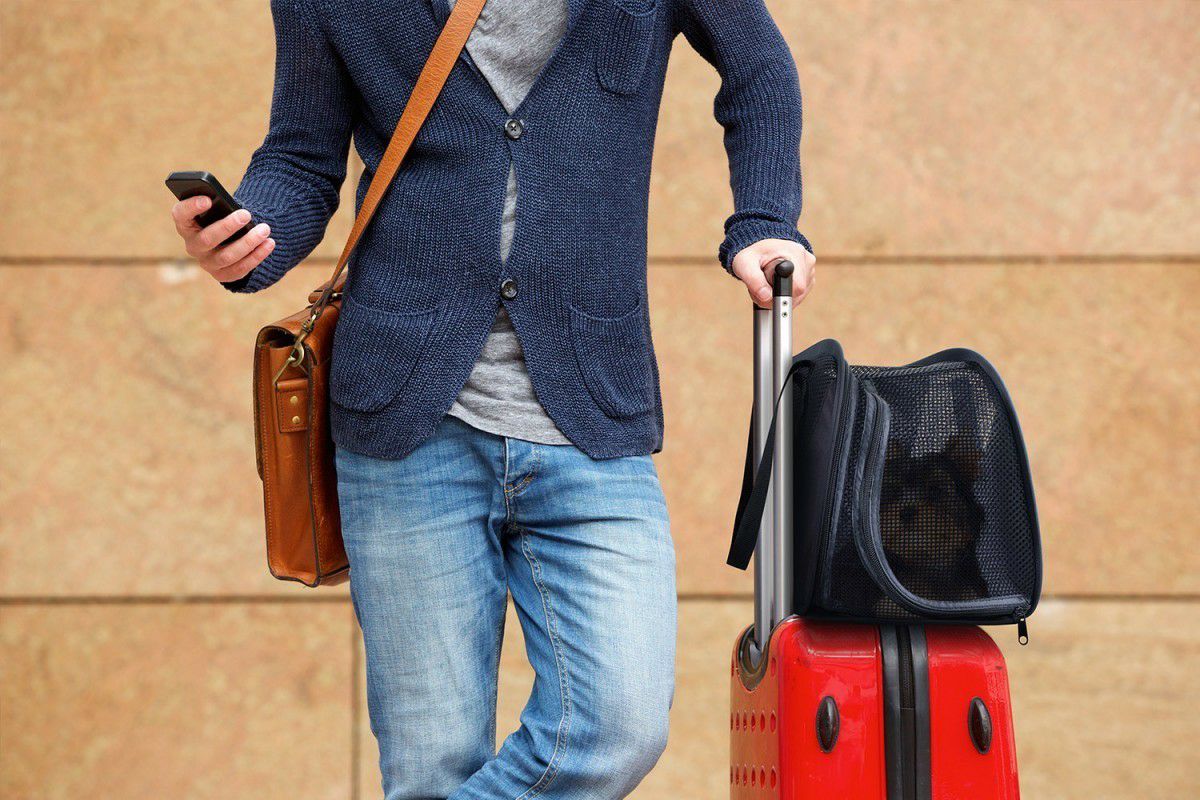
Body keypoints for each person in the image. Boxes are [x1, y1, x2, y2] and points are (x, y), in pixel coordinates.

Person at [170, 0, 815, 797]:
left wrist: (765, 219)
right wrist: (248, 236)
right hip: (404, 414)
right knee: (432, 764)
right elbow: (301, 155)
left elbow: (759, 70)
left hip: (591, 404)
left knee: (618, 728)